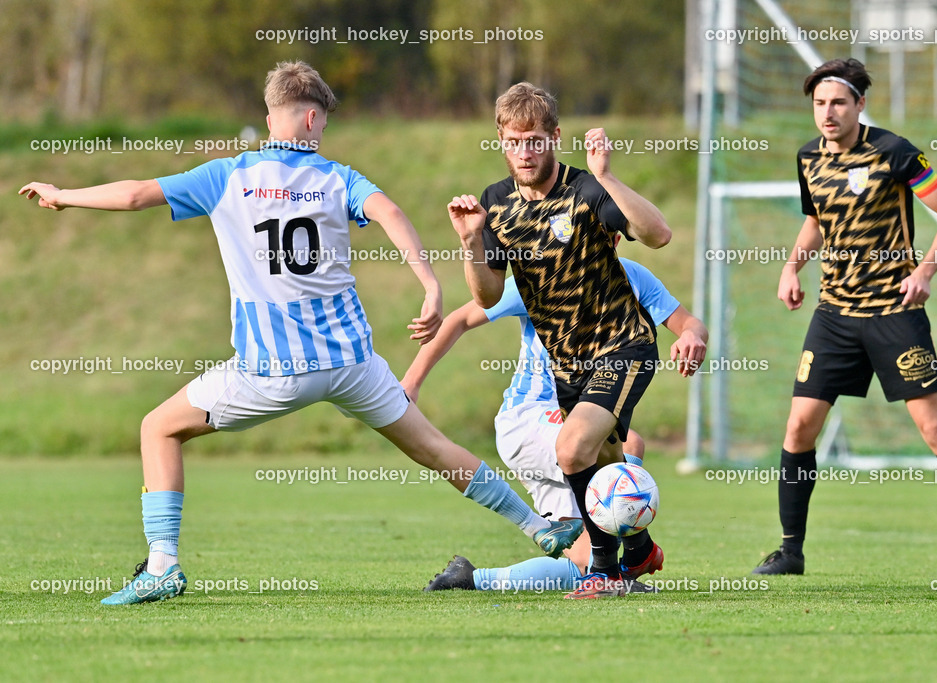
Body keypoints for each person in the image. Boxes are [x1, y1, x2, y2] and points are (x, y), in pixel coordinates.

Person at [19, 61, 583, 605]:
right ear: (313, 120)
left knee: (158, 429)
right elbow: (390, 213)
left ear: (273, 118)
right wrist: (429, 284)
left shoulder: (227, 175)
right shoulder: (339, 178)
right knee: (434, 448)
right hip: (352, 366)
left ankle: (162, 565)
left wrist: (63, 195)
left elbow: (137, 193)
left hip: (274, 372)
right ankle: (539, 527)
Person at [752, 58, 937, 579]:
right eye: (820, 104)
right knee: (799, 426)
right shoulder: (808, 158)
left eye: (838, 103)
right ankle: (790, 551)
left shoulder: (895, 151)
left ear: (859, 105)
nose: (828, 113)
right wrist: (792, 266)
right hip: (835, 314)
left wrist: (926, 273)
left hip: (895, 312)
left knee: (935, 429)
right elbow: (817, 220)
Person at [446, 82, 677, 598]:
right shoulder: (495, 204)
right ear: (501, 142)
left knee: (572, 451)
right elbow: (485, 297)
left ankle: (602, 571)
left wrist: (607, 176)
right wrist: (469, 243)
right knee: (607, 465)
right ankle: (639, 553)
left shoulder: (586, 192)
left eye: (535, 139)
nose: (525, 152)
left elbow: (658, 234)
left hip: (623, 346)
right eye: (513, 141)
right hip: (567, 363)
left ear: (554, 137)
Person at [402, 257, 706, 593]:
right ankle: (638, 549)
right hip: (529, 416)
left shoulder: (635, 276)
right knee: (628, 443)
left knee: (587, 562)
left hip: (569, 426)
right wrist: (411, 383)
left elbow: (688, 322)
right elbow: (460, 319)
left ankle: (469, 579)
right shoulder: (540, 277)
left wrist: (691, 335)